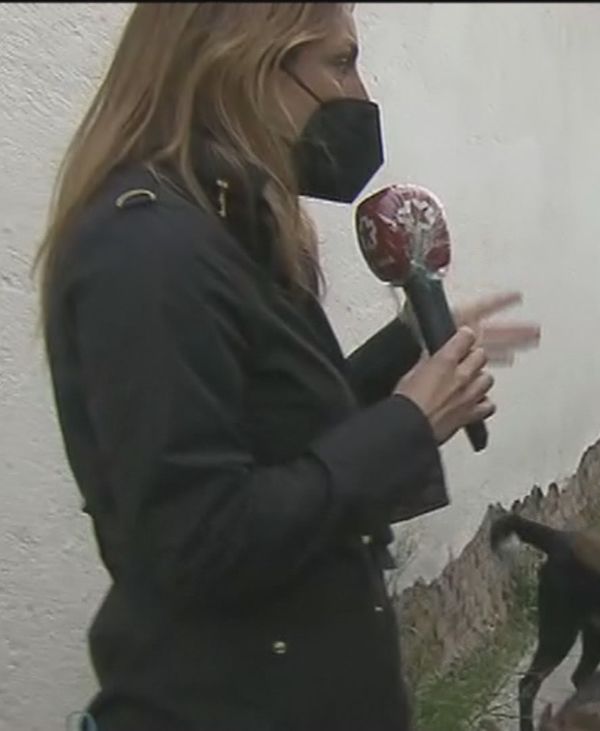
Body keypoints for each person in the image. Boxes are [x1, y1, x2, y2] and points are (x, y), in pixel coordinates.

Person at [35, 5, 539, 730]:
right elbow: (201, 537)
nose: (360, 95)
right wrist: (408, 423)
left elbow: (277, 435)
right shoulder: (148, 256)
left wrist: (406, 348)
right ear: (242, 60)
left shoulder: (223, 226)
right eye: (340, 63)